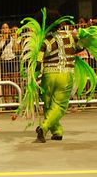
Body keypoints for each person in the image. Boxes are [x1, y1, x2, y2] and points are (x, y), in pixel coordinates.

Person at [18, 9, 97, 142]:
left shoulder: (45, 41)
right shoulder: (71, 36)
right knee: (59, 106)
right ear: (60, 22)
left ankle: (57, 131)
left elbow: (38, 62)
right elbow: (80, 47)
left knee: (49, 105)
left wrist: (34, 77)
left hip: (48, 76)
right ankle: (44, 127)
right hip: (65, 75)